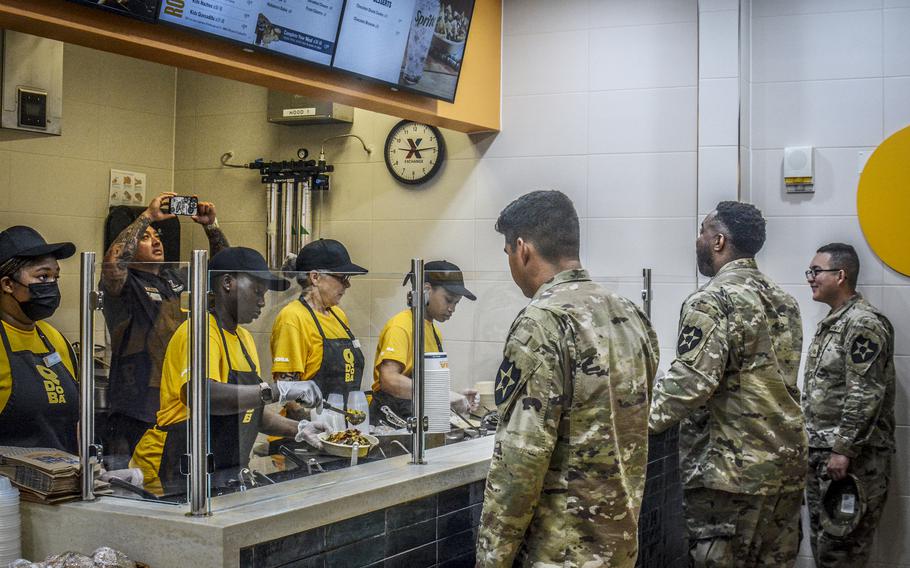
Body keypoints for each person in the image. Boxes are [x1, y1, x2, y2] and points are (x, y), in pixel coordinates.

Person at [476, 190, 659, 567]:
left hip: (559, 553)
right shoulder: (630, 315)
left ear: (522, 249)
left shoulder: (542, 321)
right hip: (618, 547)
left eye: (508, 254)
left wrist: (492, 558)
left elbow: (521, 460)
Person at [649, 201, 807, 567]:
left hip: (731, 478)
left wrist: (635, 421)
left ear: (718, 241)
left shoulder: (712, 300)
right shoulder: (784, 301)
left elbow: (690, 382)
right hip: (784, 468)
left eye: (702, 231)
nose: (697, 240)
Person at [130, 247, 326, 495]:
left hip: (218, 468)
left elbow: (248, 411)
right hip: (172, 468)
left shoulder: (243, 338)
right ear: (227, 283)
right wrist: (279, 390)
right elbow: (201, 394)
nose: (262, 301)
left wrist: (297, 429)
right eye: (257, 291)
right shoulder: (199, 331)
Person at [101, 192, 229, 458]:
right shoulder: (125, 284)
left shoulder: (176, 278)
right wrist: (147, 216)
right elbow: (114, 263)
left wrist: (211, 227)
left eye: (157, 235)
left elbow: (224, 272)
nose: (156, 240)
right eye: (145, 238)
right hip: (136, 406)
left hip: (175, 402)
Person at [803, 243, 895, 567]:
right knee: (824, 550)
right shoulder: (834, 322)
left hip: (851, 463)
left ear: (840, 275)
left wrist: (843, 449)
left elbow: (865, 392)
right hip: (823, 458)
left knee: (842, 553)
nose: (810, 278)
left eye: (816, 271)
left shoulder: (863, 324)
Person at [0, 226, 78, 453]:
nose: (52, 285)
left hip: (61, 483)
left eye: (55, 277)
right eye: (43, 276)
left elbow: (74, 423)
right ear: (7, 284)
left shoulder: (55, 339)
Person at [371, 260, 478, 425]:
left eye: (456, 303)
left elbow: (423, 387)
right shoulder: (401, 326)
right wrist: (442, 394)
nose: (452, 308)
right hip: (391, 423)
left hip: (416, 421)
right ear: (426, 290)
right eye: (448, 300)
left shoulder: (434, 332)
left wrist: (455, 398)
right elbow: (389, 380)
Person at [270, 239, 367, 421]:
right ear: (315, 277)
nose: (347, 285)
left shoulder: (338, 315)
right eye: (342, 278)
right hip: (304, 435)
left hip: (339, 429)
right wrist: (315, 428)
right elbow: (287, 392)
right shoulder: (293, 318)